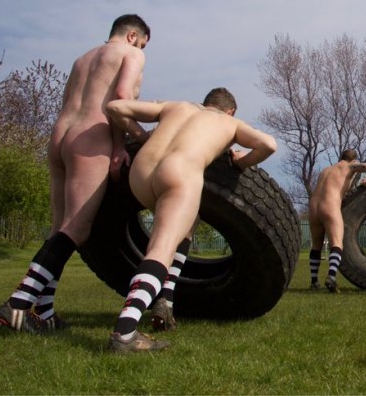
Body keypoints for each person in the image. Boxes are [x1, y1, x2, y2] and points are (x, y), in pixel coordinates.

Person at [0, 14, 151, 333]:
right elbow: (121, 99)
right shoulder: (131, 53)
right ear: (133, 36)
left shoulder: (83, 59)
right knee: (77, 229)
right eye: (145, 43)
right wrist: (128, 141)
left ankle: (44, 311)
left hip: (60, 136)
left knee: (59, 229)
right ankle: (19, 302)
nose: (144, 49)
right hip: (90, 137)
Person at [103, 87, 277, 353]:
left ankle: (166, 299)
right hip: (178, 174)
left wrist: (140, 136)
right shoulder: (230, 122)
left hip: (140, 173)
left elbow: (116, 107)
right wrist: (242, 162)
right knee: (161, 248)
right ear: (230, 110)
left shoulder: (176, 106)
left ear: (205, 103)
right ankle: (124, 333)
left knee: (188, 223)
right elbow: (268, 144)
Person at [308, 150, 366, 293]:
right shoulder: (349, 167)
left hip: (313, 207)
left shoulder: (326, 170)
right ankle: (331, 277)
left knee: (316, 246)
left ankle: (314, 282)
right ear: (353, 160)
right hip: (329, 205)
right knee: (337, 243)